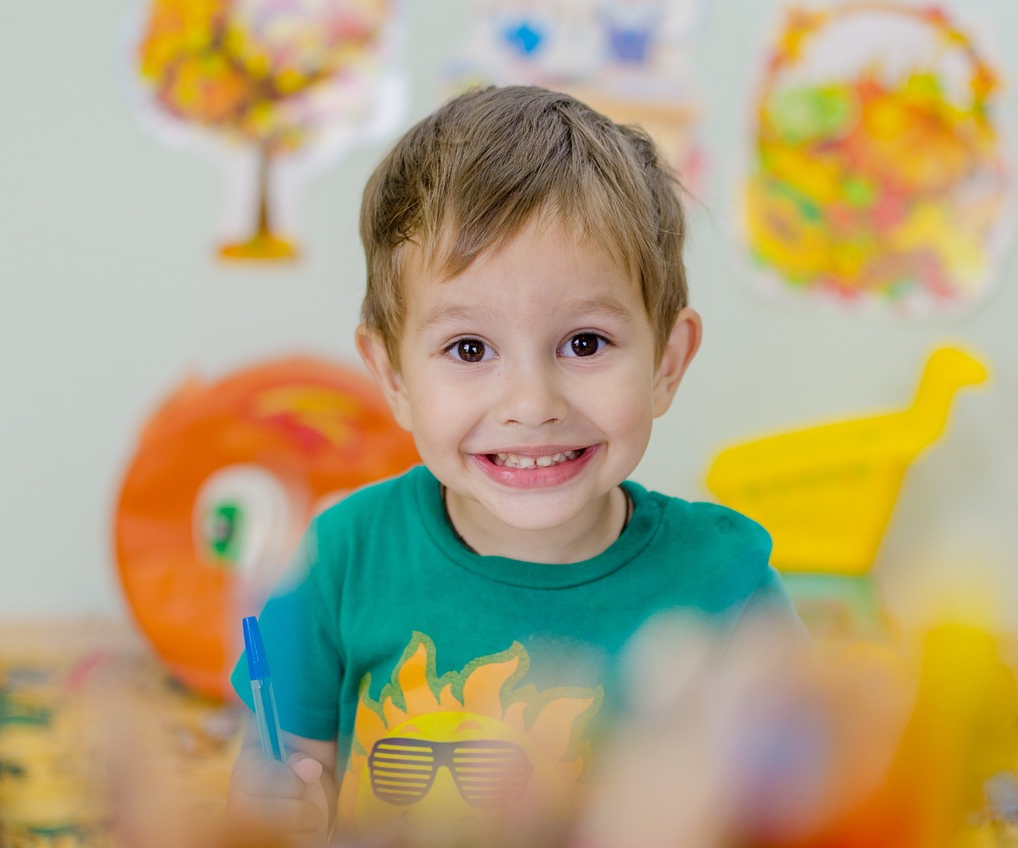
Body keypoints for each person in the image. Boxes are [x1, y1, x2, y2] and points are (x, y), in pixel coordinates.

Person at [227, 84, 795, 846]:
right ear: (392, 375)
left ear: (667, 360)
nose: (532, 403)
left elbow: (796, 798)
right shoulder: (342, 558)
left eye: (585, 343)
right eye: (470, 350)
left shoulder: (727, 580)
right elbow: (284, 773)